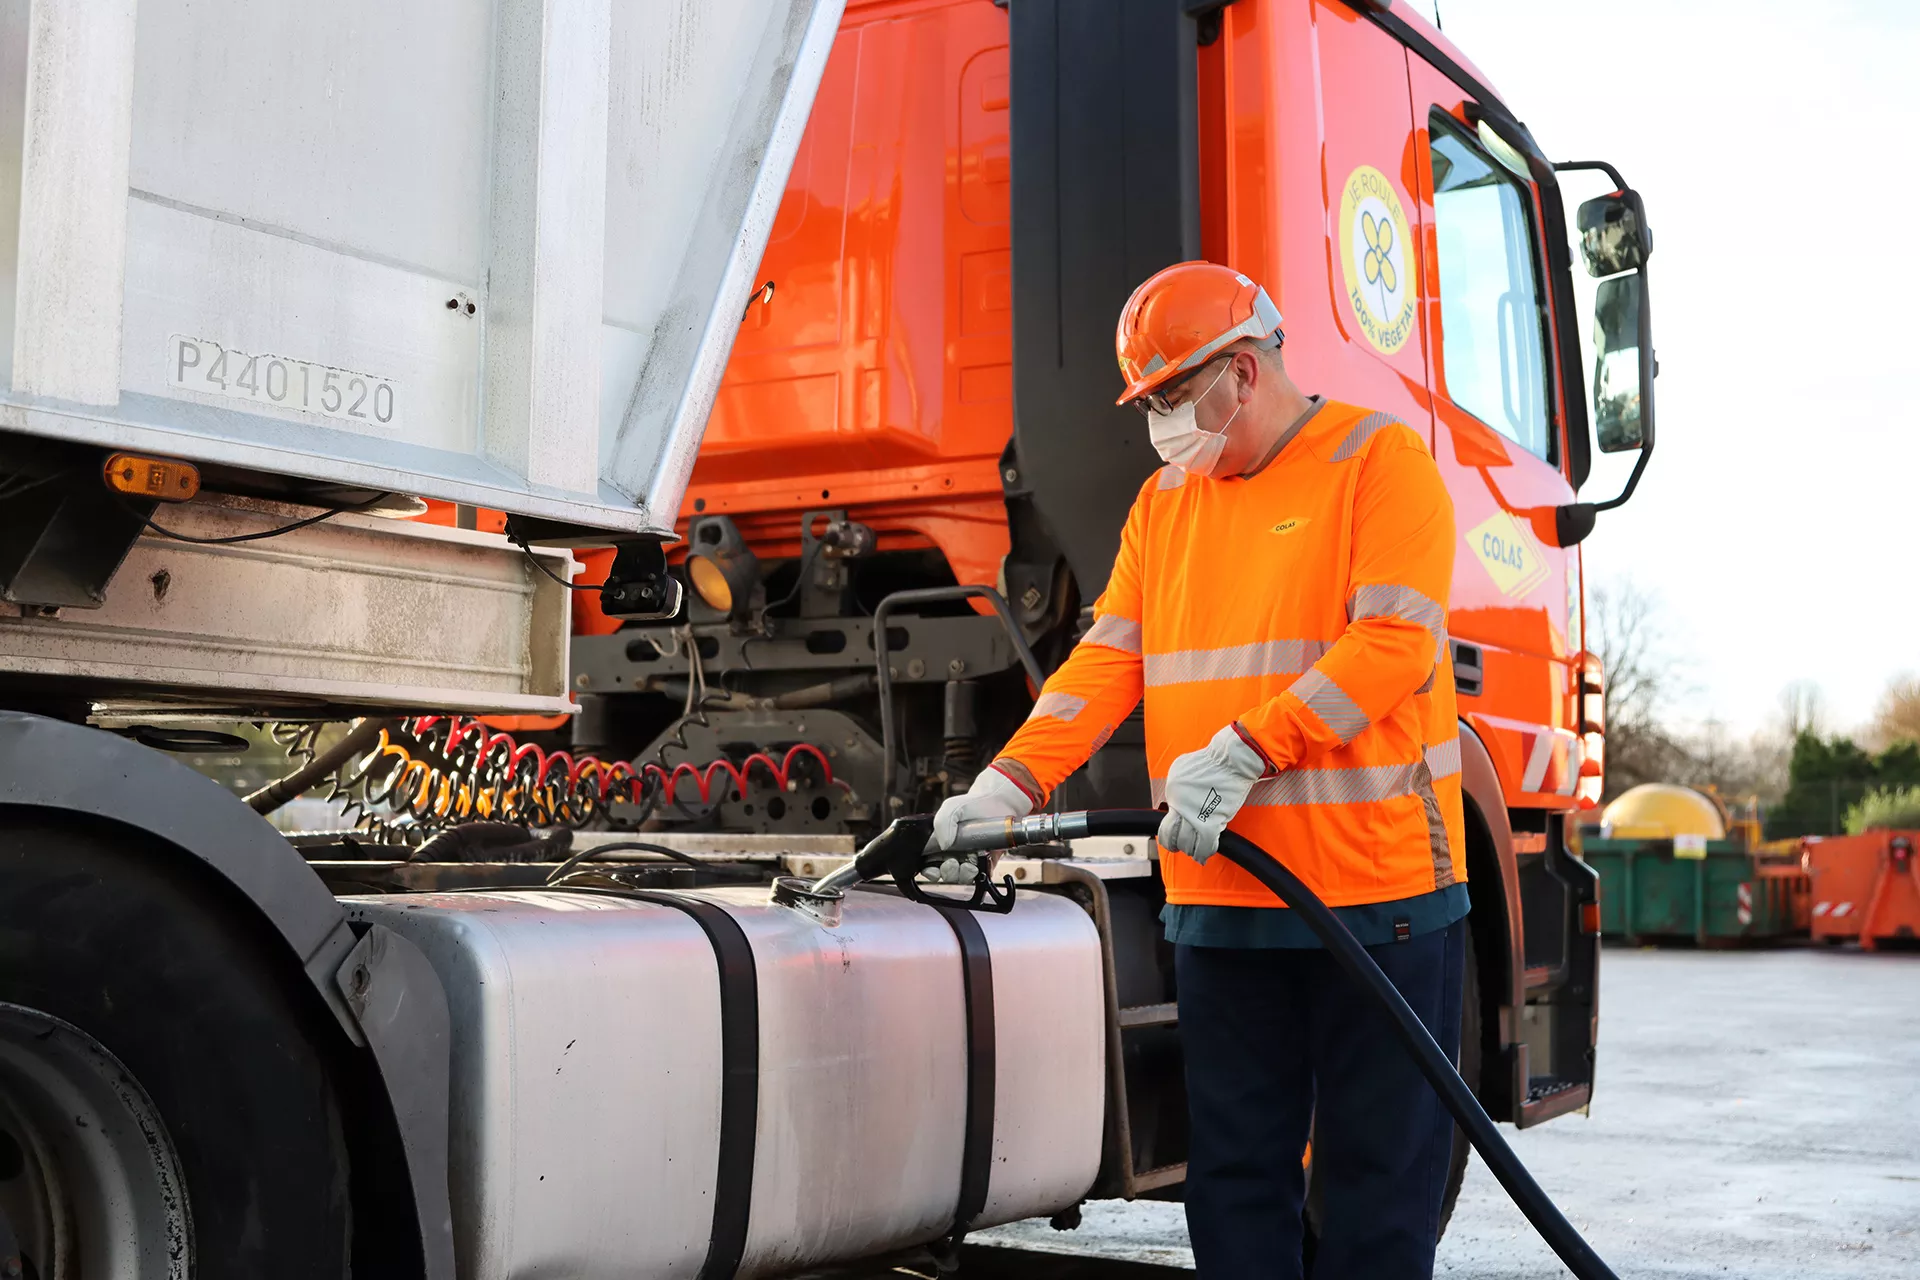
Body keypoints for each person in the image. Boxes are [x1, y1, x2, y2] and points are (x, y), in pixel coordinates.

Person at [934, 261, 1469, 1277]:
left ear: (1242, 370)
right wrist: (1012, 781)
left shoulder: (1377, 459)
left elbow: (1394, 642)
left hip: (1378, 897)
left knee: (1376, 1188)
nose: (1164, 426)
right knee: (1234, 1183)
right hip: (1223, 898)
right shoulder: (1166, 505)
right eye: (1154, 404)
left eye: (1174, 397)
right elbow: (1106, 663)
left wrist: (1251, 744)